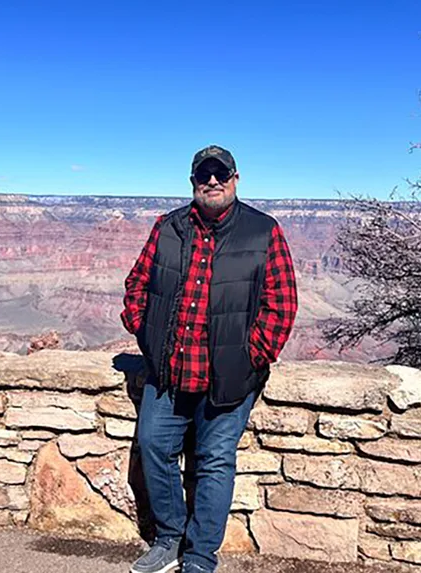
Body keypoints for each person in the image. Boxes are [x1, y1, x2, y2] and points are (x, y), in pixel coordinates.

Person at [120, 145, 298, 573]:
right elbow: (137, 286)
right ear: (193, 181)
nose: (212, 181)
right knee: (153, 445)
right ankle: (169, 539)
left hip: (229, 380)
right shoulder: (169, 228)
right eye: (204, 175)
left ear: (236, 178)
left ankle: (200, 557)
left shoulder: (262, 231)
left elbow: (282, 304)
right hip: (170, 371)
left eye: (221, 174)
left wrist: (251, 357)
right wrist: (145, 332)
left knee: (215, 462)